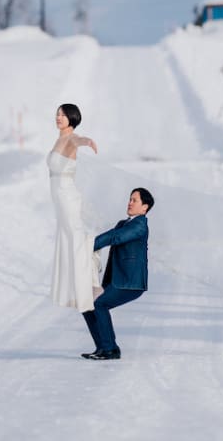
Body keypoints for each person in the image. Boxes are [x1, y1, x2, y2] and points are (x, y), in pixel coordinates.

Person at [81, 186, 154, 361]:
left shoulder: (140, 226)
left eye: (134, 200)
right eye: (129, 199)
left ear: (145, 207)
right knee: (87, 305)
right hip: (117, 280)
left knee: (99, 304)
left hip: (131, 282)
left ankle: (110, 349)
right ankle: (102, 347)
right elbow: (114, 233)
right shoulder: (123, 224)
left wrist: (88, 245)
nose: (130, 202)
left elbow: (115, 238)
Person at [47, 103, 102, 313]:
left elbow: (79, 140)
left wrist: (87, 141)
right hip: (59, 196)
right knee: (68, 237)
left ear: (72, 118)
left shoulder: (70, 138)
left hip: (67, 195)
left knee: (75, 237)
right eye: (57, 114)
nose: (58, 117)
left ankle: (92, 285)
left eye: (62, 114)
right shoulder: (59, 138)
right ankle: (74, 291)